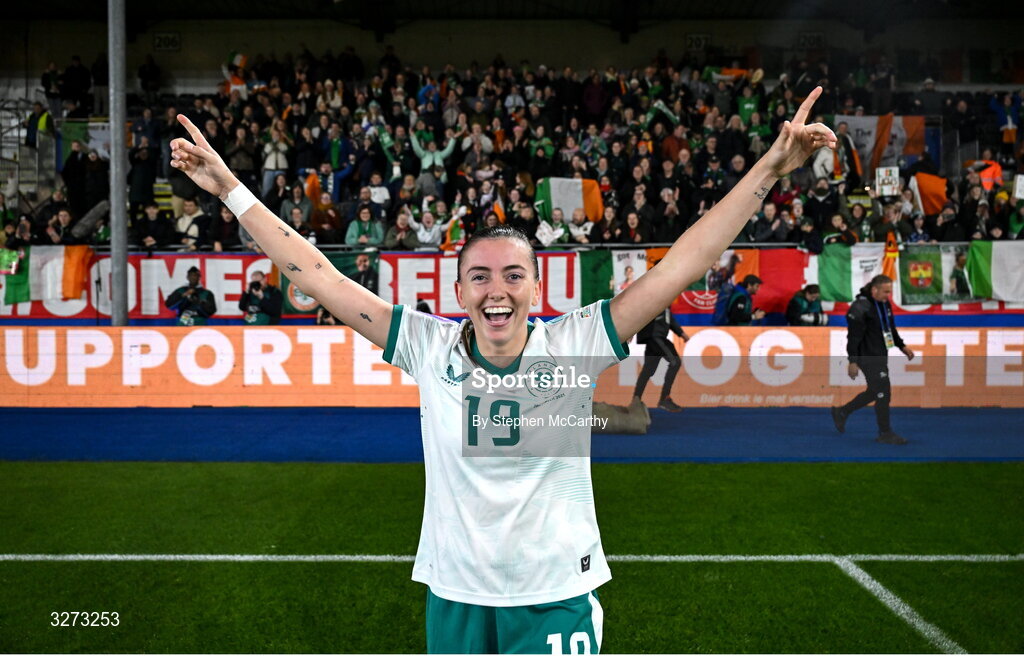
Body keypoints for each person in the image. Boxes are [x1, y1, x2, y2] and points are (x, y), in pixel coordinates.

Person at [169, 86, 835, 654]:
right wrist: (230, 189)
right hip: (455, 594)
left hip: (554, 596)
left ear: (536, 288)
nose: (497, 289)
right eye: (480, 276)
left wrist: (770, 171)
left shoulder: (576, 342)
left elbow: (684, 263)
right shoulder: (425, 345)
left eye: (514, 275)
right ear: (459, 292)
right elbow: (315, 272)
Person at [831, 275, 914, 445]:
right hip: (866, 356)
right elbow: (853, 337)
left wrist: (901, 346)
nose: (888, 295)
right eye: (885, 291)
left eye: (889, 292)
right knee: (883, 392)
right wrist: (853, 361)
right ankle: (885, 432)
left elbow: (890, 327)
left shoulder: (883, 303)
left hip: (880, 353)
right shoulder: (860, 307)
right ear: (874, 290)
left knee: (876, 391)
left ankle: (842, 411)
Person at [633, 308, 690, 412]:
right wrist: (631, 332)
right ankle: (664, 398)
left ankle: (635, 401)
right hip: (656, 337)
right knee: (675, 362)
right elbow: (640, 313)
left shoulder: (665, 307)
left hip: (655, 338)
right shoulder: (656, 300)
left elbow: (670, 320)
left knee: (647, 370)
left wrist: (682, 334)